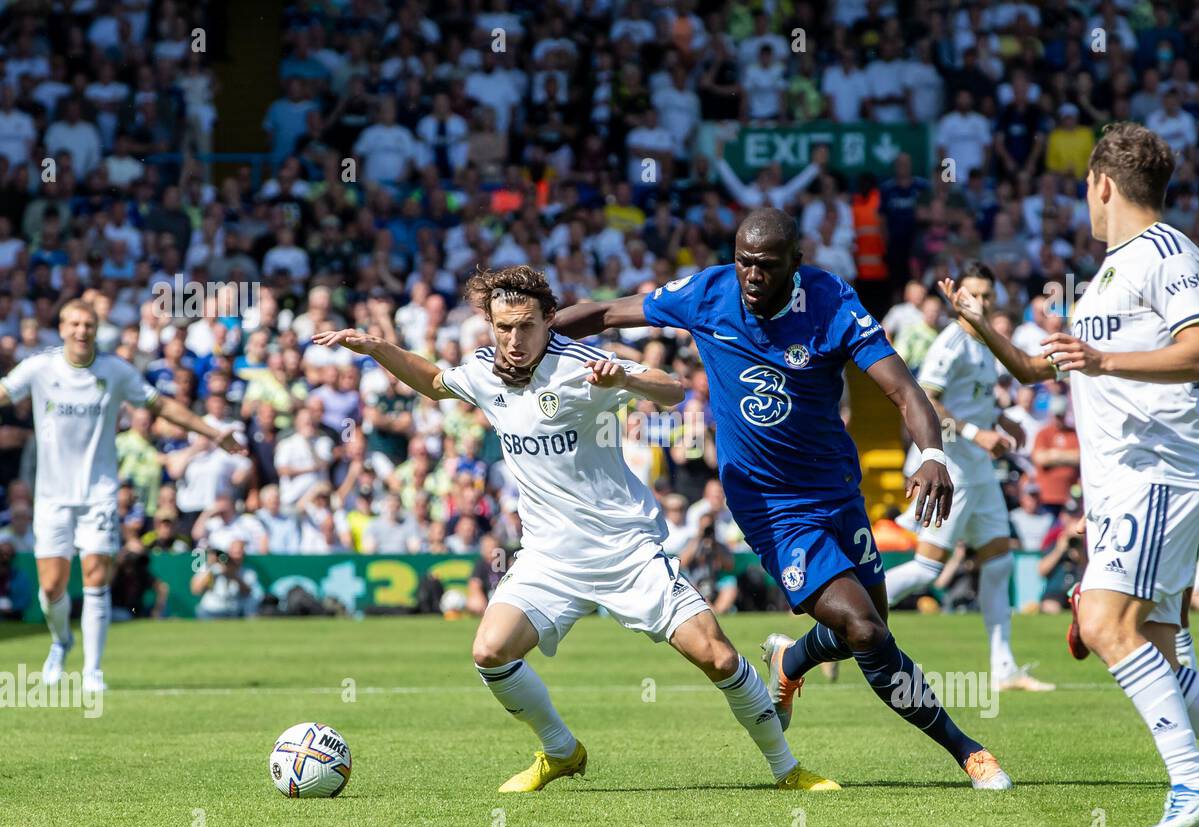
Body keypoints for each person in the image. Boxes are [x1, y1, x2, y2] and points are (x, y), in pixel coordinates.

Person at [495, 210, 1013, 791]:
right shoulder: (708, 290)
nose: (751, 274)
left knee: (864, 632)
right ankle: (968, 751)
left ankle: (789, 663)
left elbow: (901, 388)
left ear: (796, 262)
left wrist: (934, 456)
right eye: (743, 260)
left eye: (766, 265)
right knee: (867, 633)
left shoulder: (829, 300)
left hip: (838, 493)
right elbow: (610, 312)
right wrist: (532, 340)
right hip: (771, 505)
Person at [314, 265, 837, 794]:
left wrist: (626, 378)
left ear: (549, 321)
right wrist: (378, 347)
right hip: (549, 558)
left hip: (625, 551)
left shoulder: (579, 363)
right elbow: (431, 381)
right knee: (489, 652)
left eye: (524, 326)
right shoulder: (482, 371)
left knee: (719, 657)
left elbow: (673, 391)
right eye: (502, 328)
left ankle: (787, 769)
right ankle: (561, 751)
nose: (513, 340)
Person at [941, 122, 1199, 827]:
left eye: (1086, 187)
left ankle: (1192, 785)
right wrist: (984, 330)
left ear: (1102, 184)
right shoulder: (1107, 272)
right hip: (1121, 488)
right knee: (1159, 658)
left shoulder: (1169, 253)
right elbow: (1045, 369)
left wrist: (1102, 360)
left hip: (1155, 474)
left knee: (1102, 625)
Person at [0, 299, 242, 692]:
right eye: (74, 324)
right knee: (51, 588)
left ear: (96, 329)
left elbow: (160, 405)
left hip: (99, 493)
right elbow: (5, 393)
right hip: (52, 496)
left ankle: (93, 671)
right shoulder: (41, 367)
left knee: (96, 578)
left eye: (88, 325)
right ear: (61, 328)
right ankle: (62, 641)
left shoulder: (114, 371)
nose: (82, 331)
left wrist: (211, 432)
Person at [886, 261, 1053, 693]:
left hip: (979, 473)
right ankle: (844, 621)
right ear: (958, 297)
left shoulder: (986, 343)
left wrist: (1001, 420)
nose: (980, 301)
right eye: (972, 294)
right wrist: (978, 433)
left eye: (986, 295)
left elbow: (975, 399)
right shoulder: (953, 343)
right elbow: (926, 402)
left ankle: (1004, 669)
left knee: (998, 564)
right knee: (926, 570)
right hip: (952, 471)